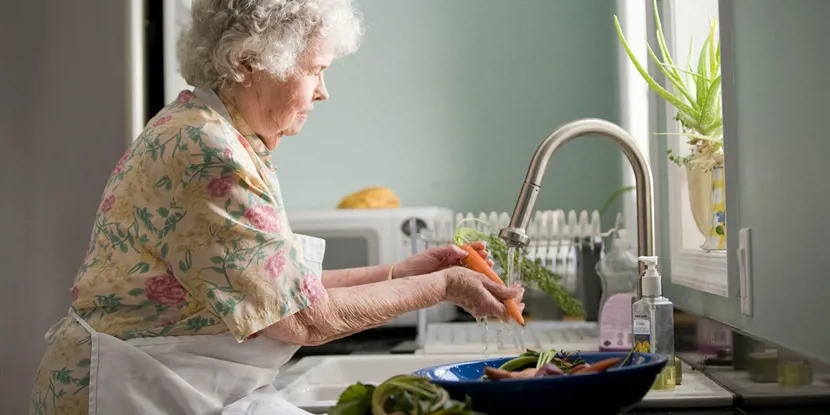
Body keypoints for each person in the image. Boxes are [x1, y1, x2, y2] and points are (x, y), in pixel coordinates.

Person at [29, 1, 525, 414]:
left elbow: (275, 292)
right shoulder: (209, 151)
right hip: (131, 391)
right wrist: (442, 284)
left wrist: (401, 272)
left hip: (166, 381)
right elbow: (302, 319)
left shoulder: (215, 133)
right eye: (316, 70)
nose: (324, 91)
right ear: (250, 63)